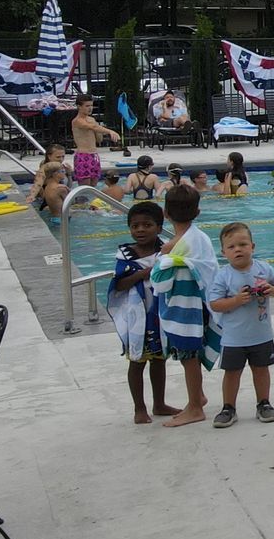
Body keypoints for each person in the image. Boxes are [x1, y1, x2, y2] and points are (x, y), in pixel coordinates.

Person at [206, 222, 274, 428]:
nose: (238, 249)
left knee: (261, 370)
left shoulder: (264, 269)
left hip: (262, 334)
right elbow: (214, 303)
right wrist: (235, 301)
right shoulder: (223, 275)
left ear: (253, 247)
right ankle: (228, 407)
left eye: (243, 244)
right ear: (224, 252)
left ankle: (264, 403)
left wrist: (272, 290)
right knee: (232, 373)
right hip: (234, 337)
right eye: (231, 247)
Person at [108, 201, 179, 425]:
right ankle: (139, 408)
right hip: (137, 318)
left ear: (159, 227)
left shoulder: (165, 251)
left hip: (159, 315)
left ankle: (159, 403)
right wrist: (146, 272)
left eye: (147, 225)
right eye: (135, 226)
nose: (140, 230)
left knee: (159, 360)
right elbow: (119, 285)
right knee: (137, 361)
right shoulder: (125, 254)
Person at [157, 184, 216, 428]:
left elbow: (161, 281)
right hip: (195, 306)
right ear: (198, 212)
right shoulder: (198, 238)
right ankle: (198, 395)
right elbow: (211, 268)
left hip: (186, 310)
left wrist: (166, 258)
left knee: (189, 356)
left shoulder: (176, 245)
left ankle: (194, 408)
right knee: (187, 355)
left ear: (165, 213)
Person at [70, 94, 121, 185]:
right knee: (85, 188)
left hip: (94, 156)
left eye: (91, 105)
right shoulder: (77, 121)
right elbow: (91, 127)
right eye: (87, 106)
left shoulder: (92, 120)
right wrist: (110, 131)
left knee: (94, 187)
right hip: (83, 156)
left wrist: (98, 130)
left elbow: (99, 140)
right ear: (79, 107)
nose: (90, 108)